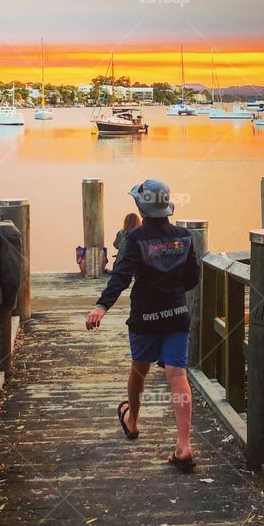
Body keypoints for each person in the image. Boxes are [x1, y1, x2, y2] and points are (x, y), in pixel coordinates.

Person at [85, 180, 200, 471]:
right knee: (178, 375)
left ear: (141, 206)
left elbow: (120, 276)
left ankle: (133, 421)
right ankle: (184, 446)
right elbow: (191, 280)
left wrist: (101, 306)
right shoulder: (184, 237)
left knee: (139, 369)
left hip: (145, 317)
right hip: (176, 314)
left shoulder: (134, 239)